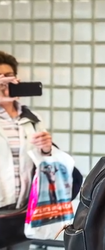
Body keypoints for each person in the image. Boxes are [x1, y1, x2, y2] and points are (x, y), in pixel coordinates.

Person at [0, 51, 54, 250]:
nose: (5, 83)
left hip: (23, 214)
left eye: (9, 76)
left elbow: (45, 165)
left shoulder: (33, 119)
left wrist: (48, 150)